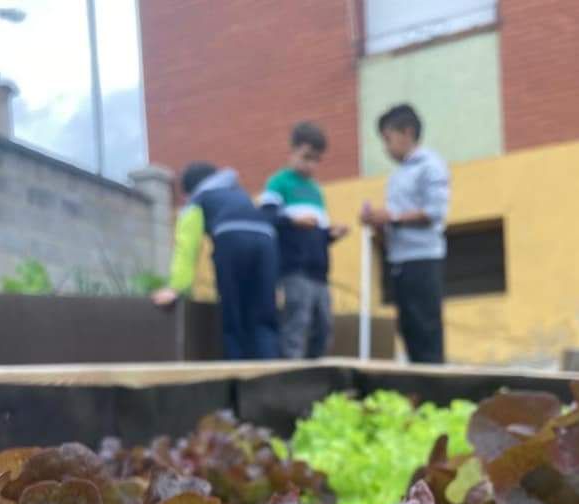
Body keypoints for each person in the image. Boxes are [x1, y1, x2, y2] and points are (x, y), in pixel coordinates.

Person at [152, 163, 279, 361]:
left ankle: (236, 382)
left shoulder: (198, 198)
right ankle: (271, 382)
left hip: (231, 239)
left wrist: (175, 287)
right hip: (267, 240)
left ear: (189, 190)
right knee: (263, 319)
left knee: (233, 319)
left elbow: (187, 245)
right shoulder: (238, 193)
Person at [361, 104, 450, 364]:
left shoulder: (430, 166)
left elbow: (434, 212)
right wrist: (377, 223)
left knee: (427, 331)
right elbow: (395, 220)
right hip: (400, 262)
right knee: (409, 331)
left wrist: (391, 217)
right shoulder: (398, 175)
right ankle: (419, 392)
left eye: (387, 139)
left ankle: (436, 394)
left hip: (423, 260)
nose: (386, 148)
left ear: (407, 132)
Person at [260, 122, 348, 359]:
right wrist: (293, 221)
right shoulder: (278, 183)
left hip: (319, 273)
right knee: (296, 326)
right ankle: (292, 380)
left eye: (316, 159)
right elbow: (267, 217)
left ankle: (315, 377)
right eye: (306, 157)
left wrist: (330, 234)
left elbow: (316, 233)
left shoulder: (315, 190)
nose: (311, 164)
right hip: (293, 271)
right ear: (292, 151)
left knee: (324, 327)